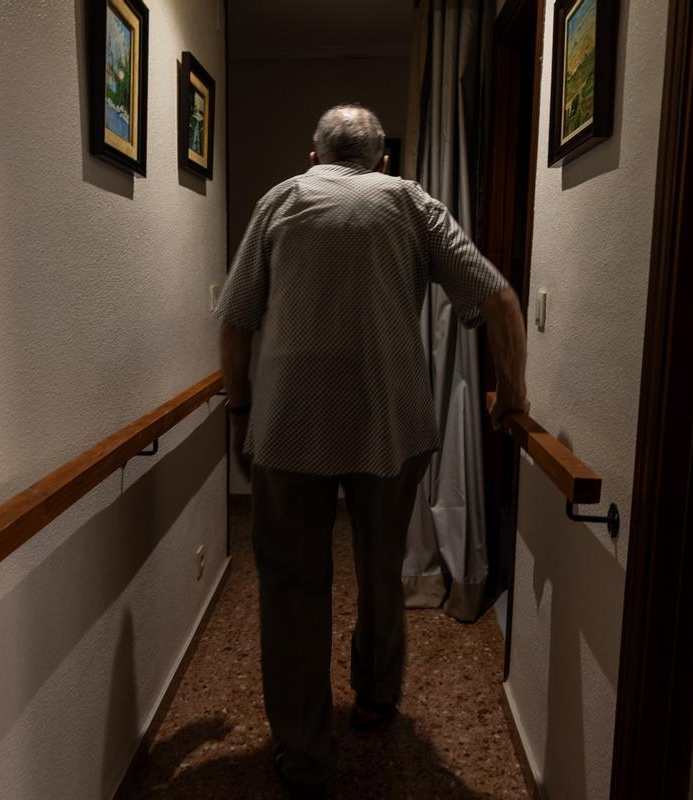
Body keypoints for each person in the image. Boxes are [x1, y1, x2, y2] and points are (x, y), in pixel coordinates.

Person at [214, 104, 528, 799]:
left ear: (313, 154)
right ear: (380, 158)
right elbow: (500, 301)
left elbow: (236, 323)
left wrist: (239, 413)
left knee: (293, 589)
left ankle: (303, 756)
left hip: (290, 426)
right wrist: (512, 399)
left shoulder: (280, 200)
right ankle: (377, 698)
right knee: (380, 563)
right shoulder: (409, 199)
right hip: (390, 423)